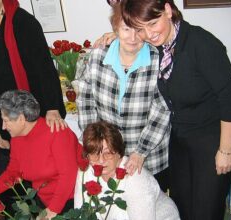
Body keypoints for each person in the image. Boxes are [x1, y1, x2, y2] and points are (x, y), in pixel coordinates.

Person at [118, 0, 231, 219]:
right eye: (140, 28)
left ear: (167, 10)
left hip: (211, 143)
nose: (148, 34)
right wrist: (109, 38)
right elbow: (130, 44)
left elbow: (229, 97)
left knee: (206, 212)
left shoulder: (201, 43)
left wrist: (227, 150)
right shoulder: (160, 46)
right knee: (181, 208)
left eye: (152, 23)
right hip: (179, 142)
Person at [76, 2, 171, 191]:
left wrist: (140, 152)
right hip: (108, 154)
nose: (133, 37)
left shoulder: (158, 60)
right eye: (126, 29)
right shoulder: (97, 55)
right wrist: (94, 141)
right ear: (115, 28)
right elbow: (85, 99)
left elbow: (162, 111)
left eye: (138, 30)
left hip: (149, 156)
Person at [0, 0, 66, 138]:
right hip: (3, 111)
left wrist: (52, 108)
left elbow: (44, 68)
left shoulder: (23, 22)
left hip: (32, 109)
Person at [0, 90, 79, 219]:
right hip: (44, 199)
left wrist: (52, 210)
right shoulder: (17, 138)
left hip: (71, 200)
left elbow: (68, 175)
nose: (3, 127)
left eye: (6, 121)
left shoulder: (57, 132)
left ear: (21, 119)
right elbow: (13, 172)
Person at [75, 121, 179, 220]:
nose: (101, 160)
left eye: (107, 153)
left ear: (119, 153)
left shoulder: (135, 179)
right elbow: (80, 214)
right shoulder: (85, 172)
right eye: (95, 154)